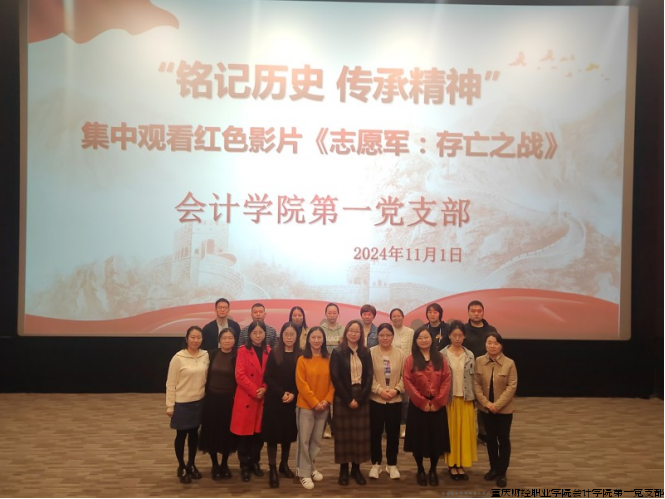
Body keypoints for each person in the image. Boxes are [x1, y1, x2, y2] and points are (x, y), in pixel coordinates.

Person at [403, 325, 451, 487]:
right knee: (418, 440)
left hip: (437, 406)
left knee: (436, 440)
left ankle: (433, 470)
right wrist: (422, 402)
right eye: (420, 338)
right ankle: (420, 470)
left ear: (432, 339)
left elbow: (446, 380)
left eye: (426, 337)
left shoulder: (441, 358)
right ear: (415, 341)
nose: (423, 340)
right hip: (418, 406)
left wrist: (437, 402)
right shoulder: (410, 359)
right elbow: (408, 382)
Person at [330, 319, 373, 486]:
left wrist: (360, 399)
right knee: (344, 435)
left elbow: (369, 376)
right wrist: (348, 399)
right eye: (351, 331)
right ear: (346, 332)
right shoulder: (337, 352)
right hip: (343, 397)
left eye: (357, 331)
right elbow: (335, 377)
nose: (354, 334)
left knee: (359, 435)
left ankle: (356, 469)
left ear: (361, 334)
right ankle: (343, 469)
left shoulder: (365, 352)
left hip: (361, 396)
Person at [166, 326, 209, 484]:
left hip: (199, 402)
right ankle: (182, 466)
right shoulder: (178, 358)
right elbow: (171, 383)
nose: (196, 340)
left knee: (194, 435)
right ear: (187, 339)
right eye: (193, 337)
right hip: (182, 403)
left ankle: (191, 464)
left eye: (199, 337)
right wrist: (170, 405)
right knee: (181, 435)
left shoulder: (205, 355)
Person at [473, 332, 517, 488]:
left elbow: (511, 387)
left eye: (496, 343)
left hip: (503, 410)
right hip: (486, 409)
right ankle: (493, 468)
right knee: (490, 439)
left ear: (501, 345)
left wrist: (496, 406)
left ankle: (502, 472)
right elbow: (476, 384)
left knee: (503, 439)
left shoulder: (509, 363)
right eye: (489, 342)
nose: (492, 346)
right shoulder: (479, 361)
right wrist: (486, 404)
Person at [262, 322, 302, 488]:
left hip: (291, 401)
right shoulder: (274, 353)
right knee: (272, 436)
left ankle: (283, 464)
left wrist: (293, 393)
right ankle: (272, 467)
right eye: (286, 334)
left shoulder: (300, 354)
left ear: (296, 336)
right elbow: (267, 377)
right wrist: (281, 393)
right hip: (274, 400)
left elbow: (301, 378)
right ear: (281, 336)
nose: (289, 337)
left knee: (287, 434)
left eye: (292, 334)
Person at [230, 320, 271, 482]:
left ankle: (255, 462)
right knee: (244, 435)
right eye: (255, 333)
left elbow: (271, 374)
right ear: (249, 334)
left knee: (258, 435)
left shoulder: (269, 351)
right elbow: (239, 375)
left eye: (261, 332)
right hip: (247, 397)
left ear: (265, 334)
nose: (258, 336)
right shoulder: (243, 351)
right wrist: (255, 391)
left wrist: (264, 388)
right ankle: (244, 465)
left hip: (262, 398)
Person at [295, 327, 335, 490]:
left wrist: (326, 401)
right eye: (313, 337)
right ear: (308, 339)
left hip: (323, 406)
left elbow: (333, 383)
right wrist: (314, 402)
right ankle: (303, 473)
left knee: (316, 441)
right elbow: (301, 384)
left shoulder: (329, 359)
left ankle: (310, 467)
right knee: (304, 441)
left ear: (323, 339)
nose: (317, 340)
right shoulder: (302, 359)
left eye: (319, 337)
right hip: (306, 406)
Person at [199, 327, 238, 480]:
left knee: (227, 433)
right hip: (212, 399)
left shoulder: (237, 356)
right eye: (224, 338)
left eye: (230, 338)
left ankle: (224, 463)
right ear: (219, 340)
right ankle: (215, 464)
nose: (227, 341)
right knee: (212, 432)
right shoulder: (211, 354)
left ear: (234, 340)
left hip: (229, 400)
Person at [441, 320, 477, 481]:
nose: (457, 338)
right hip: (449, 401)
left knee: (464, 434)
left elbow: (474, 379)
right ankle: (452, 464)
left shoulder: (470, 355)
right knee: (451, 434)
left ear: (464, 336)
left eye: (460, 335)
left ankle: (461, 464)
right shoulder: (442, 355)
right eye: (454, 335)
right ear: (449, 336)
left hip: (466, 399)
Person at [368, 323, 405, 480]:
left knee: (393, 434)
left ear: (392, 336)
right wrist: (379, 390)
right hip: (376, 400)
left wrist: (396, 390)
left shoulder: (400, 354)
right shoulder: (370, 352)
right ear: (377, 336)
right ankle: (376, 464)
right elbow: (368, 376)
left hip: (395, 400)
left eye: (388, 335)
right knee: (375, 433)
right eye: (382, 335)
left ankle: (392, 464)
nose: (385, 338)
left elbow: (405, 376)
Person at [464, 300, 498, 444]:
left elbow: (497, 349)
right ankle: (466, 433)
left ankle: (484, 433)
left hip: (487, 372)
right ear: (468, 312)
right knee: (467, 404)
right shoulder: (463, 330)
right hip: (467, 373)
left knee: (485, 404)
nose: (476, 314)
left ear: (483, 312)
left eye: (479, 311)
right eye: (473, 311)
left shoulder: (491, 330)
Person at [320, 302, 344, 439]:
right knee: (326, 396)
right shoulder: (321, 329)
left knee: (338, 397)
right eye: (329, 313)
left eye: (334, 313)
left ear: (338, 314)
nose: (332, 315)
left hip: (339, 368)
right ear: (325, 314)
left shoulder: (343, 329)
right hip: (324, 366)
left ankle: (337, 425)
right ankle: (327, 426)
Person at [390, 307, 414, 439]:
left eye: (399, 315)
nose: (396, 318)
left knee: (405, 399)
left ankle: (404, 425)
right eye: (394, 316)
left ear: (403, 317)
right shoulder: (388, 331)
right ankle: (391, 425)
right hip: (390, 368)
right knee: (391, 397)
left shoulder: (410, 332)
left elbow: (413, 350)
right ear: (391, 318)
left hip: (406, 368)